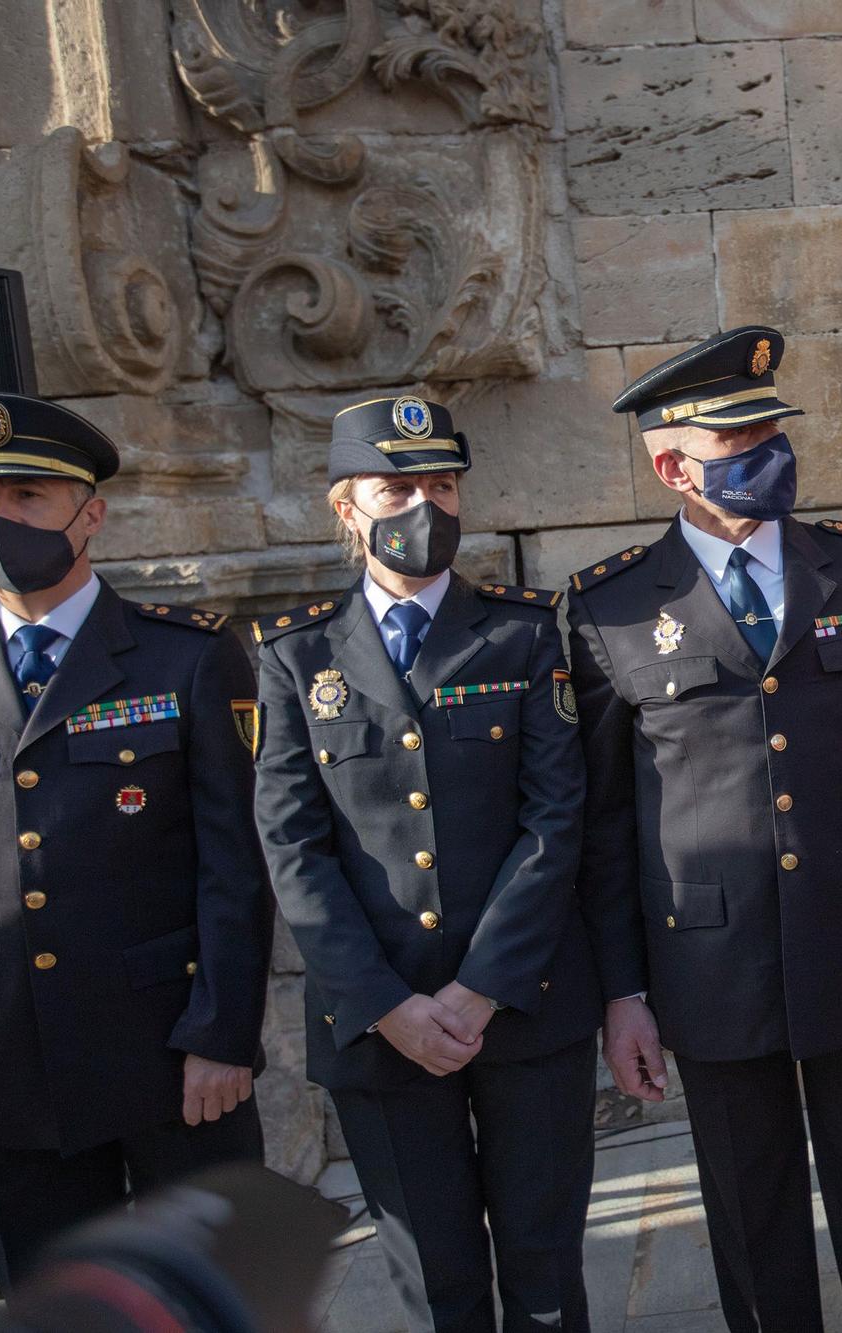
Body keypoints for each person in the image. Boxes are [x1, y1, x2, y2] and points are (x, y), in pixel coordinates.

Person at [567, 326, 842, 1333]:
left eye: (772, 431)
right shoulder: (611, 608)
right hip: (710, 965)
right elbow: (603, 820)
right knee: (752, 1228)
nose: (769, 455)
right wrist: (620, 991)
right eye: (737, 441)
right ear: (671, 467)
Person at [0, 392, 272, 1288]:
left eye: (28, 498)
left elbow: (234, 866)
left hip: (171, 1064)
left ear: (92, 513)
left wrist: (224, 1032)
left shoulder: (187, 659)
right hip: (2, 1076)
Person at [252, 394, 606, 1333]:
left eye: (441, 484)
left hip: (524, 1005)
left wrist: (480, 987)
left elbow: (553, 820)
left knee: (544, 1267)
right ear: (346, 505)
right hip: (378, 1019)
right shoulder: (295, 658)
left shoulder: (524, 633)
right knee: (434, 1275)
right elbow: (294, 847)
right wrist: (389, 1004)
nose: (424, 506)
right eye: (396, 485)